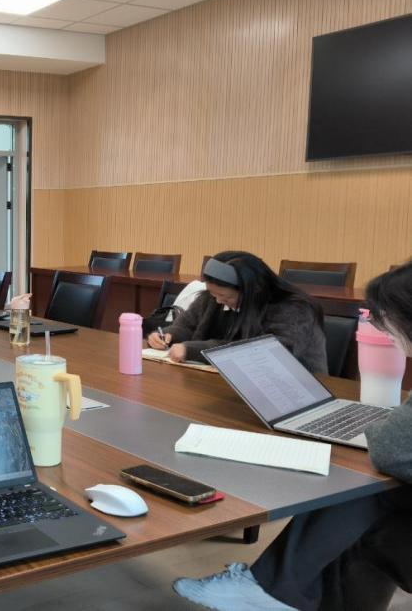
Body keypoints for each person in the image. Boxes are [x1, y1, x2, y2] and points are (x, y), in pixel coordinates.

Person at [173, 261, 412, 611]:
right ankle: (271, 590)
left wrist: (379, 426)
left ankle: (268, 591)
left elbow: (390, 448)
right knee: (364, 500)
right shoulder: (211, 301)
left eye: (385, 318)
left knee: (359, 487)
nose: (382, 329)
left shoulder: (293, 308)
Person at [146, 251, 327, 373]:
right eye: (213, 294)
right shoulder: (213, 297)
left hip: (293, 389)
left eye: (226, 297)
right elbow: (187, 326)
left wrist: (193, 350)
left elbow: (267, 353)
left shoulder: (293, 309)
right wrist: (169, 335)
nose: (218, 301)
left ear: (252, 290)